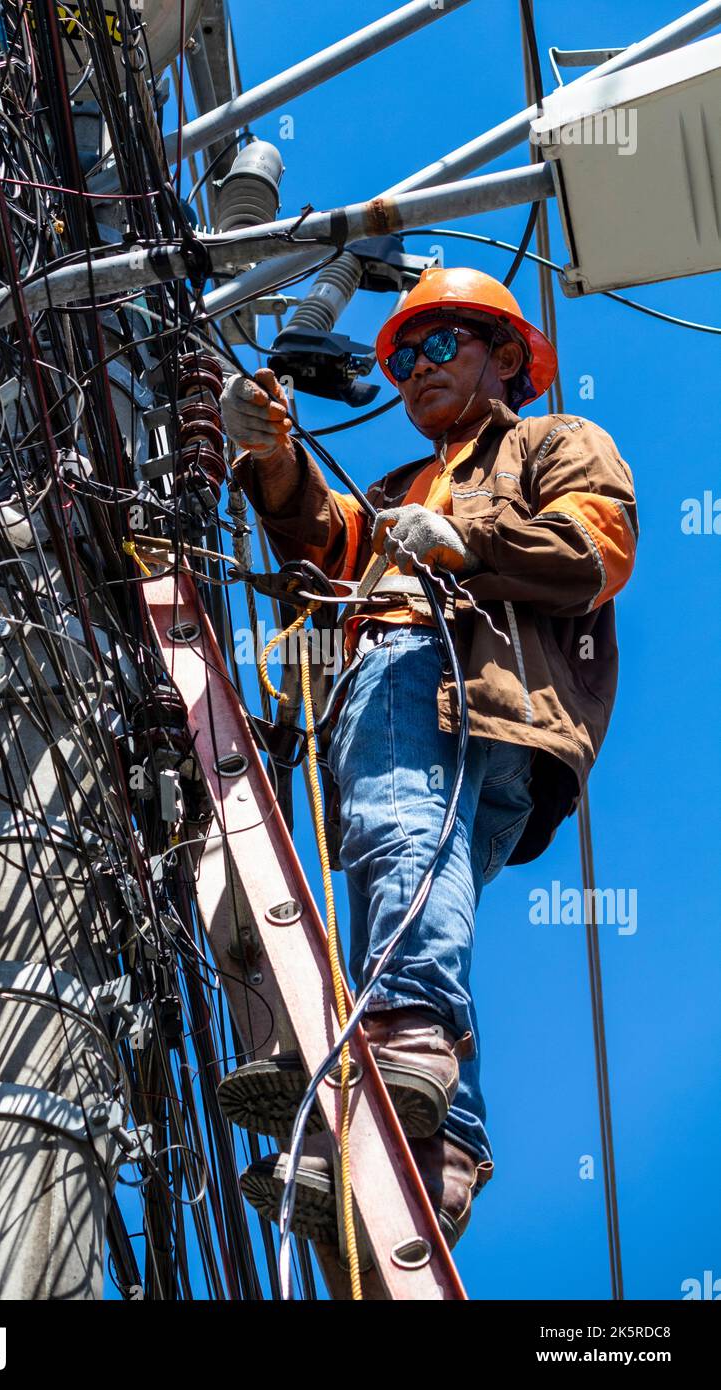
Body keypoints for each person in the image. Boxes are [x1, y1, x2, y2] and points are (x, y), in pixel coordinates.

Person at [216, 266, 639, 1249]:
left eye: (437, 345)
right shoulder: (400, 489)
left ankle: (402, 1036)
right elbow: (326, 550)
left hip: (454, 675)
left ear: (503, 355)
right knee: (400, 874)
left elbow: (594, 547)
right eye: (400, 357)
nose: (412, 370)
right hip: (392, 687)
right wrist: (273, 456)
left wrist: (462, 536)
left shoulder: (546, 442)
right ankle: (442, 1144)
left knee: (401, 843)